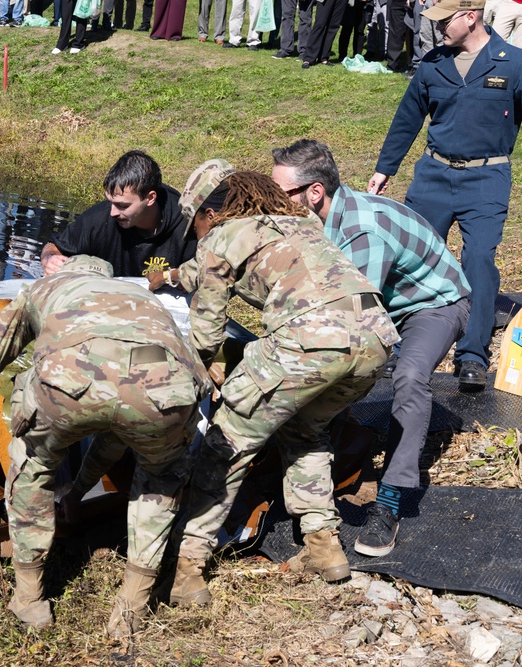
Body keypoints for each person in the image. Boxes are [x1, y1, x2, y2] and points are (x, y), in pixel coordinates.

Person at [0, 255, 211, 637]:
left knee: (33, 466)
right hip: (164, 383)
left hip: (69, 376)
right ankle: (131, 610)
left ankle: (31, 600)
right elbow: (128, 405)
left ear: (67, 273)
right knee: (160, 480)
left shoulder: (41, 288)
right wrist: (79, 491)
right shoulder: (141, 298)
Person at [168, 163, 398, 605]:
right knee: (305, 432)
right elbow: (208, 271)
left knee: (227, 444)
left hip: (309, 343)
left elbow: (206, 335)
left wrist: (196, 379)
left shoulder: (219, 238)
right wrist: (175, 276)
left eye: (194, 224)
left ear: (209, 213)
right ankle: (324, 548)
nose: (196, 234)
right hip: (375, 343)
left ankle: (187, 570)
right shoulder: (301, 222)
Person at [272, 139, 470, 557]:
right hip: (382, 300)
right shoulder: (314, 217)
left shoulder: (364, 230)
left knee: (408, 376)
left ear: (314, 193)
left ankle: (393, 496)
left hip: (432, 304)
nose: (274, 203)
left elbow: (353, 316)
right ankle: (333, 453)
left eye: (281, 194)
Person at [368, 0, 522, 392]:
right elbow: (407, 119)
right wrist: (385, 169)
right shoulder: (433, 64)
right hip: (433, 176)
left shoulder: (513, 63)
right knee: (414, 259)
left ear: (470, 17)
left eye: (443, 22)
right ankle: (404, 346)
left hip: (486, 177)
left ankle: (472, 356)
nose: (435, 30)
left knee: (480, 260)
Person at [40, 150, 196, 277]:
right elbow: (54, 246)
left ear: (150, 198)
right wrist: (49, 259)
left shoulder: (188, 226)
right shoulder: (99, 218)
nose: (113, 212)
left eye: (123, 205)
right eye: (110, 202)